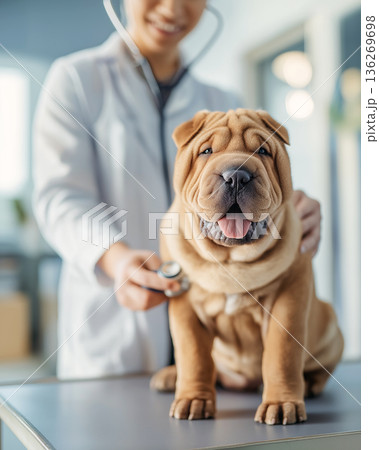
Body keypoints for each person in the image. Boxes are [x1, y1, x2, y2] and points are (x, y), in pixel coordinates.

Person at [33, 0, 322, 379]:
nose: (172, 9)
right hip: (118, 339)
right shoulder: (75, 81)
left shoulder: (224, 103)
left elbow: (263, 184)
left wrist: (295, 211)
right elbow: (60, 198)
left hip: (221, 352)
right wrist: (113, 258)